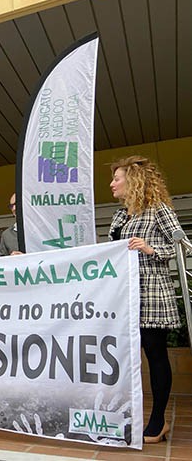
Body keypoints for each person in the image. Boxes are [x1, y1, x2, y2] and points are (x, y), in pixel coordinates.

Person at [108, 155, 183, 444]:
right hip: (124, 294)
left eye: (117, 178)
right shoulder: (119, 216)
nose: (112, 183)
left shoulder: (157, 210)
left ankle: (158, 420)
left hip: (151, 291)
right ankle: (128, 413)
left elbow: (182, 247)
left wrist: (152, 249)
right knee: (126, 356)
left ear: (134, 180)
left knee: (154, 353)